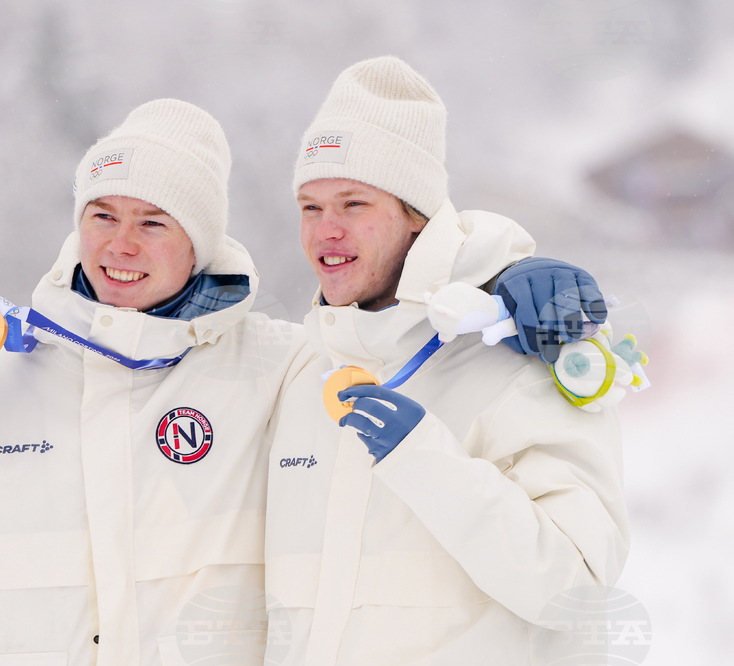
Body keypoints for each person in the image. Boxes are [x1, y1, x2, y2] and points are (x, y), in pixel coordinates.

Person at [0, 98, 607, 665]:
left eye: (154, 221)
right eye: (102, 214)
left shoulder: (280, 371)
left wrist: (502, 268)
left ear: (198, 242)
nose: (120, 245)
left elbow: (392, 319)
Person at [264, 57, 629, 665]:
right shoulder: (302, 369)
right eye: (310, 206)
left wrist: (422, 460)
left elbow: (578, 590)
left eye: (353, 203)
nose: (325, 230)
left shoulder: (525, 348)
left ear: (418, 216)